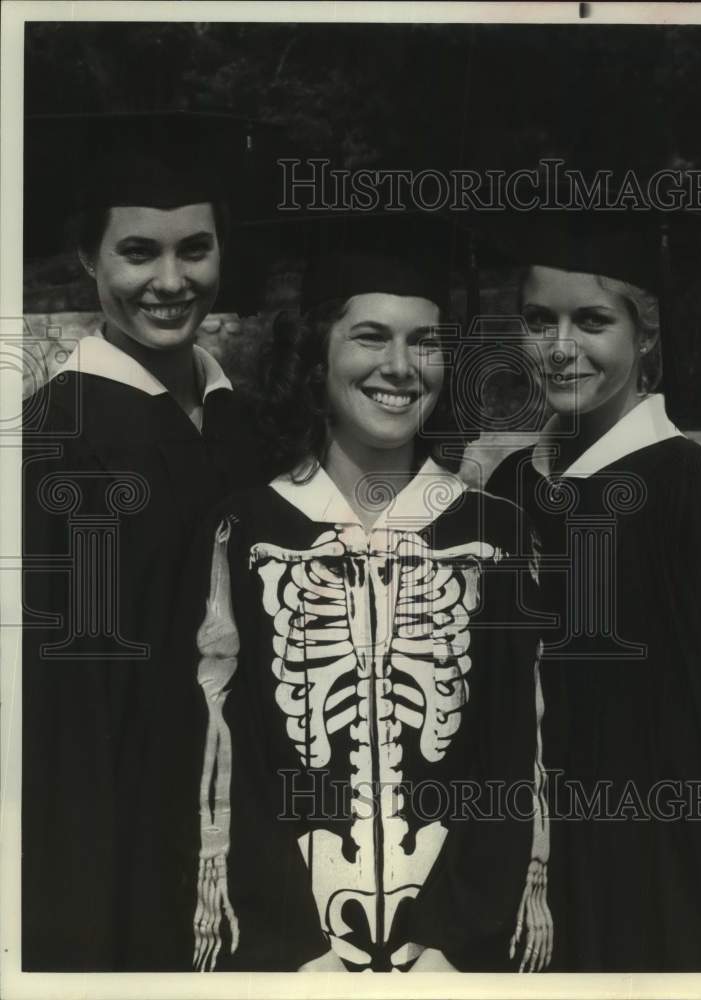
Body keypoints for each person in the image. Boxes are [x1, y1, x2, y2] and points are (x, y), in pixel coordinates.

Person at [184, 219, 551, 973]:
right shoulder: (250, 528)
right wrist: (294, 944)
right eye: (371, 337)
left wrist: (454, 938)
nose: (401, 366)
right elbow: (237, 761)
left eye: (425, 341)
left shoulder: (495, 534)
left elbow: (512, 755)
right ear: (317, 355)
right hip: (290, 953)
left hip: (456, 958)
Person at [22, 123, 267, 971]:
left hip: (251, 851)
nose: (170, 282)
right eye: (137, 252)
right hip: (120, 860)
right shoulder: (62, 440)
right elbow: (63, 725)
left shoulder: (244, 423)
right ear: (87, 258)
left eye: (195, 250)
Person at [486, 213, 701, 971]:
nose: (560, 348)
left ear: (646, 335)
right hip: (515, 872)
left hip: (647, 875)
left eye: (591, 321)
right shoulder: (510, 486)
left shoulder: (691, 492)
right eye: (538, 321)